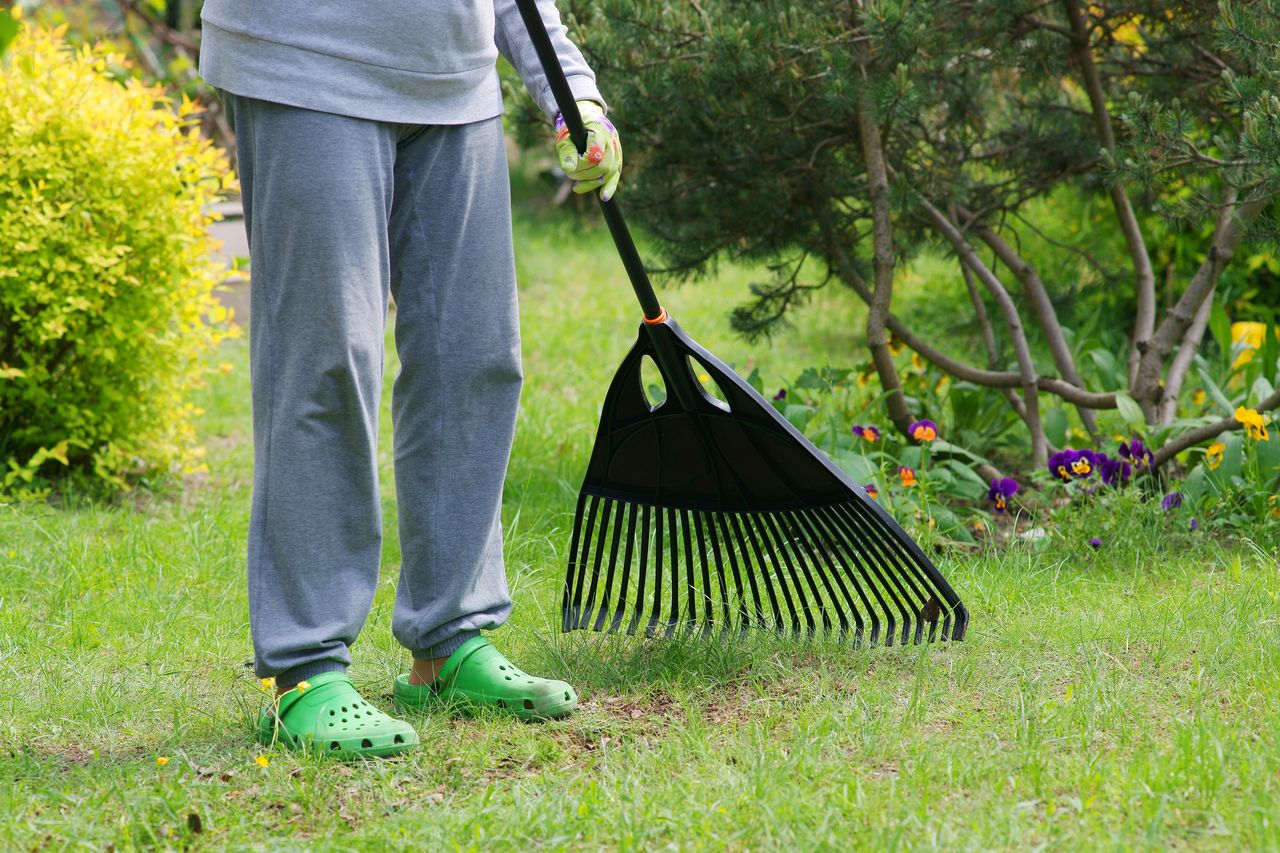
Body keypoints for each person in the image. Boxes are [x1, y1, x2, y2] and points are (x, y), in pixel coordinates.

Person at [198, 0, 623, 759]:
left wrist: (571, 88)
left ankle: (449, 640)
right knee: (325, 360)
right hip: (307, 62)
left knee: (475, 353)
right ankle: (305, 670)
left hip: (455, 80)